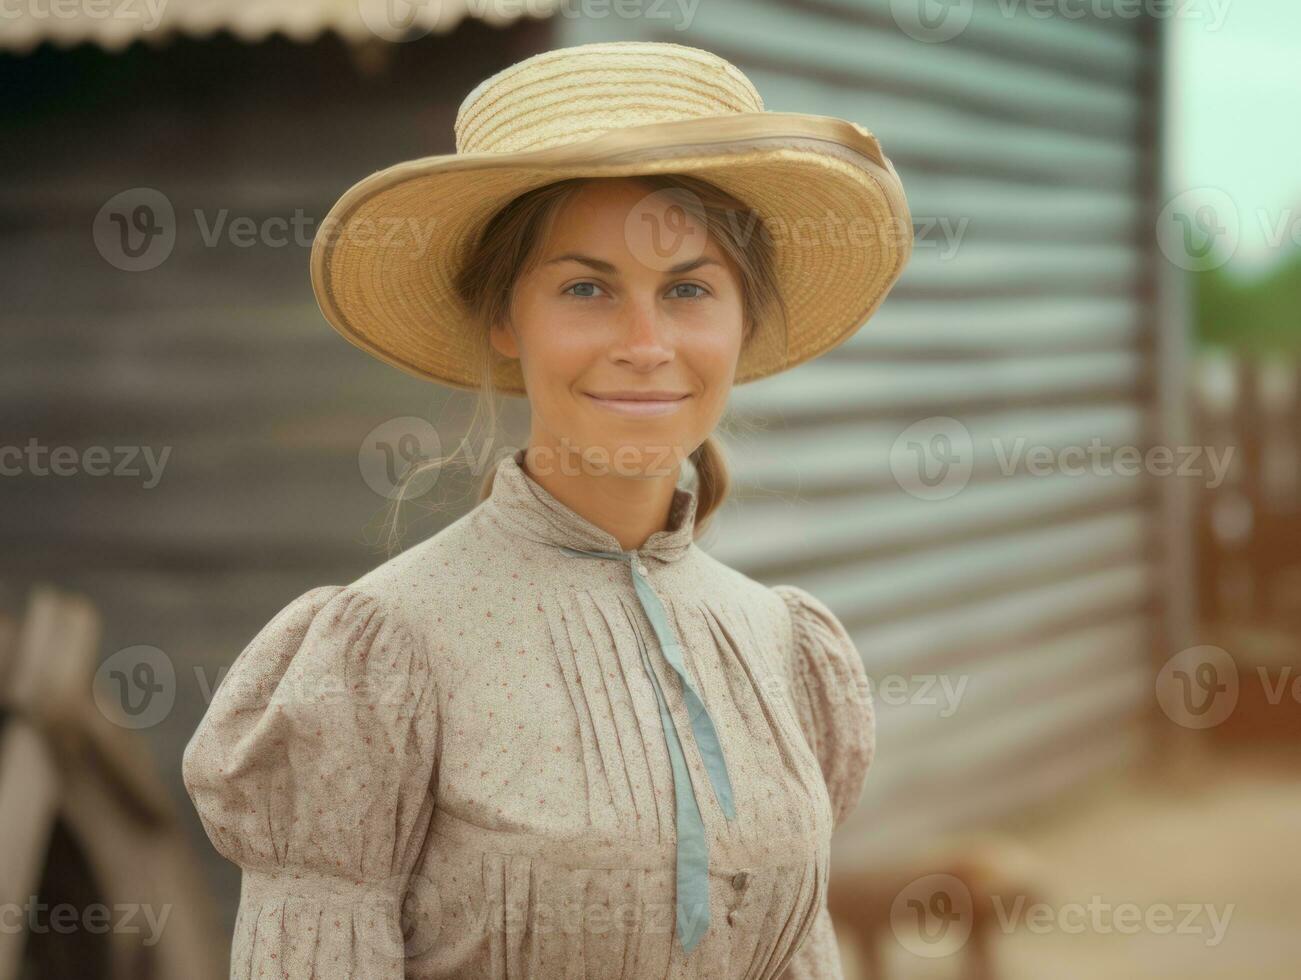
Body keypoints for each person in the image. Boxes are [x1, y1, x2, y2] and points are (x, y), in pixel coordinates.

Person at [182, 39, 912, 979]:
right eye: (585, 289)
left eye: (688, 289)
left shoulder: (781, 646)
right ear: (503, 316)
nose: (645, 344)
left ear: (743, 319)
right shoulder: (385, 650)